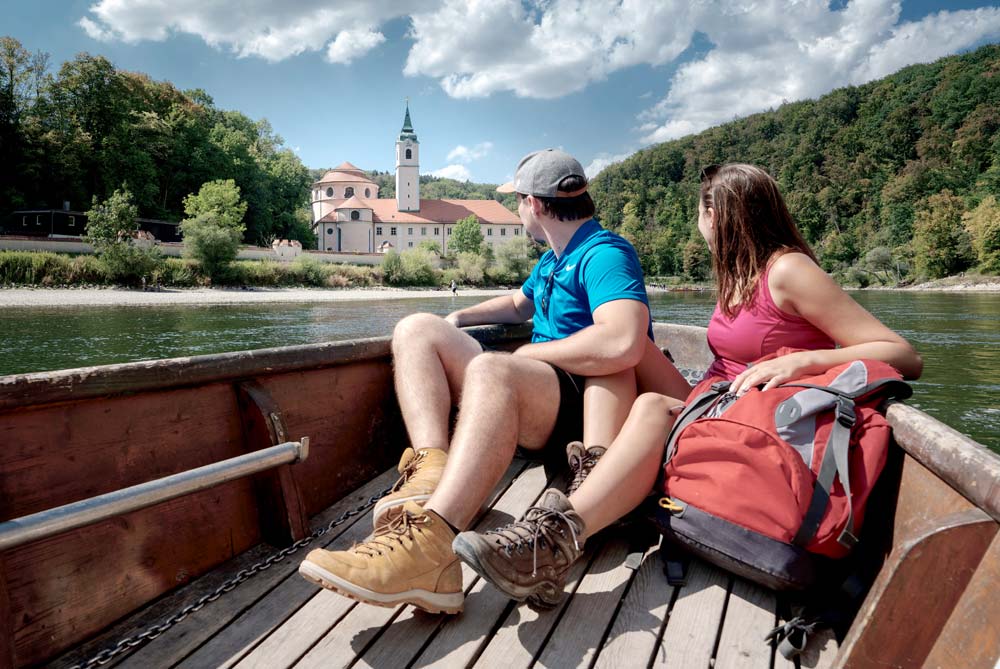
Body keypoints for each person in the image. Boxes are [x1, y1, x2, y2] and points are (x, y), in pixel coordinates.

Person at [452, 163, 923, 607]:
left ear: (715, 216)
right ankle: (596, 475)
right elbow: (625, 346)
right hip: (719, 400)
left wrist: (805, 360)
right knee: (626, 347)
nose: (699, 223)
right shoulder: (739, 272)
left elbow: (903, 355)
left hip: (759, 415)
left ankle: (554, 540)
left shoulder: (787, 271)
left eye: (700, 212)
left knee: (651, 407)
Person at [297, 149, 689, 614]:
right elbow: (519, 305)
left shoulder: (604, 254)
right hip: (538, 387)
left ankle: (431, 548)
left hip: (581, 405)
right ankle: (432, 467)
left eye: (517, 201)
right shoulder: (553, 260)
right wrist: (460, 317)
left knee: (493, 368)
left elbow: (623, 341)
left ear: (534, 204)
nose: (517, 210)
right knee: (417, 329)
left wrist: (529, 354)